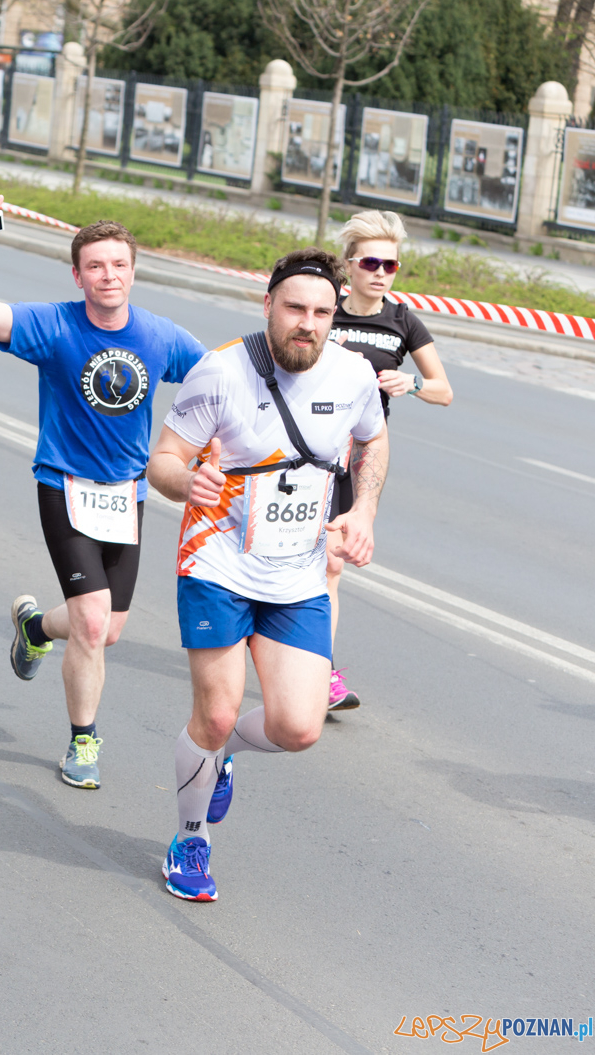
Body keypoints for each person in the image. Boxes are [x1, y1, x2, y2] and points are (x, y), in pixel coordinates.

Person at [145, 248, 389, 902]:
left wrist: (362, 508)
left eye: (321, 313)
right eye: (294, 309)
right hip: (217, 562)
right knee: (218, 710)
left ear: (334, 317)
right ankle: (190, 837)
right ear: (268, 308)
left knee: (299, 727)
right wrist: (186, 481)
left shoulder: (353, 376)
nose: (306, 323)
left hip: (298, 571)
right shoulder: (220, 373)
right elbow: (163, 459)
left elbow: (372, 439)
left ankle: (222, 759)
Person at [0, 197, 206, 788]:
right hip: (63, 485)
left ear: (133, 271)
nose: (108, 276)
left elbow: (220, 380)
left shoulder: (160, 335)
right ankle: (83, 741)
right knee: (93, 624)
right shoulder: (55, 324)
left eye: (118, 265)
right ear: (77, 275)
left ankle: (36, 629)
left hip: (128, 493)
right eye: (95, 266)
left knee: (109, 629)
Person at [322, 210, 453, 712]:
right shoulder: (325, 310)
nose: (381, 272)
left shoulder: (402, 321)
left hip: (358, 461)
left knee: (332, 564)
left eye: (391, 266)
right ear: (350, 265)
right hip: (302, 453)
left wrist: (412, 384)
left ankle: (321, 671)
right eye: (371, 262)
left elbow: (443, 390)